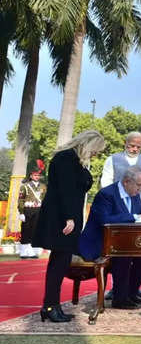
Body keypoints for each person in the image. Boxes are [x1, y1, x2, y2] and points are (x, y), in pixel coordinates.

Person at [32, 130, 106, 322]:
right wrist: (69, 218)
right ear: (88, 144)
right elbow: (65, 191)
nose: (96, 154)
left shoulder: (74, 159)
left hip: (67, 217)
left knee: (60, 262)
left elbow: (81, 184)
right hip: (62, 219)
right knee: (59, 263)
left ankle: (51, 306)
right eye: (96, 150)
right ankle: (50, 306)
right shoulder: (66, 158)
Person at [79, 166, 141, 309]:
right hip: (98, 242)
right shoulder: (106, 194)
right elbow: (105, 220)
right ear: (126, 181)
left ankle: (131, 292)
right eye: (138, 185)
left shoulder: (134, 195)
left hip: (121, 243)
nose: (140, 189)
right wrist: (133, 217)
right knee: (124, 254)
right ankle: (119, 298)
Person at [101, 131, 141, 210]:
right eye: (132, 146)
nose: (135, 149)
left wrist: (140, 200)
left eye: (138, 147)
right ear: (125, 143)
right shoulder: (112, 159)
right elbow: (106, 182)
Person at [17, 161, 47, 259]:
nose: (37, 177)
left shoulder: (43, 186)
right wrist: (21, 212)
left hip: (38, 210)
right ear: (31, 175)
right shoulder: (25, 186)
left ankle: (31, 251)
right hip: (28, 210)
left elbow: (45, 200)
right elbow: (21, 199)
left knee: (35, 230)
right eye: (35, 175)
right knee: (26, 230)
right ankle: (23, 251)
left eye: (38, 175)